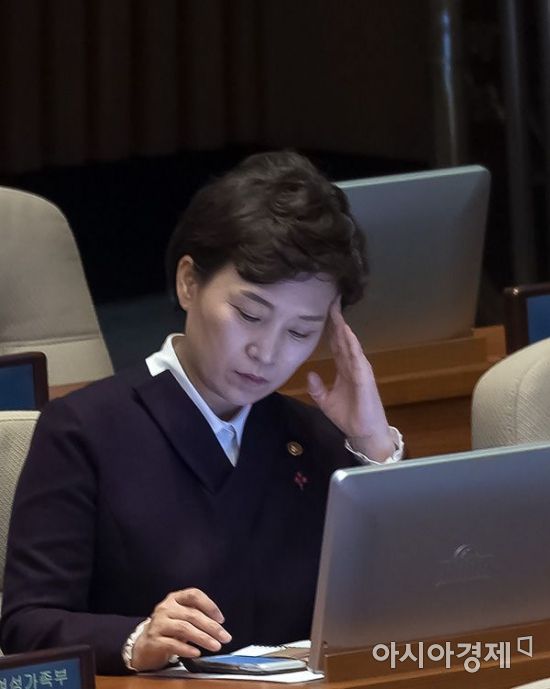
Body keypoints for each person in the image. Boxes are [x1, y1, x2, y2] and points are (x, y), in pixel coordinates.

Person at [0, 151, 403, 675]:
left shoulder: (315, 437)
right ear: (189, 282)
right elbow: (26, 623)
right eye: (249, 314)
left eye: (300, 332)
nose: (267, 351)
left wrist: (372, 443)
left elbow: (404, 600)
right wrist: (134, 639)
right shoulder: (85, 429)